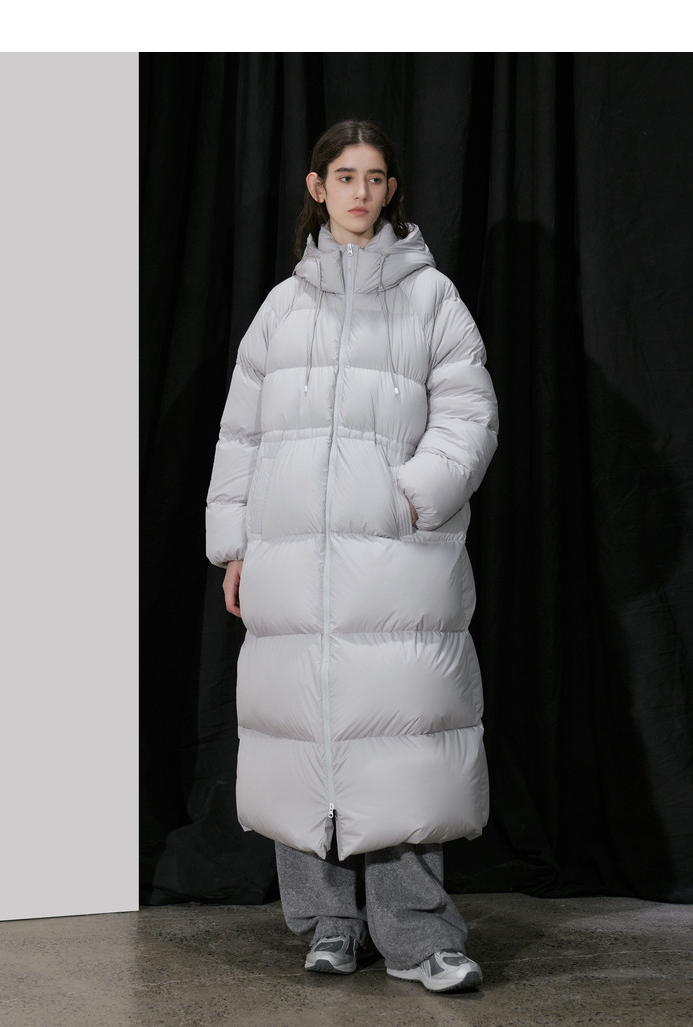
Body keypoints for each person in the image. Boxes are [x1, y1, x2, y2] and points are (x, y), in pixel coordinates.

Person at [206, 120, 498, 994]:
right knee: (302, 739)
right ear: (317, 186)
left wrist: (411, 496)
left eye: (374, 177)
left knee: (397, 744)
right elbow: (241, 434)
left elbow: (470, 414)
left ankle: (418, 936)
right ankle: (329, 922)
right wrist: (234, 547)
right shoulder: (280, 308)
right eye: (345, 176)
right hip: (292, 561)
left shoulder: (431, 298)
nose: (360, 192)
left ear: (391, 189)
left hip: (393, 562)